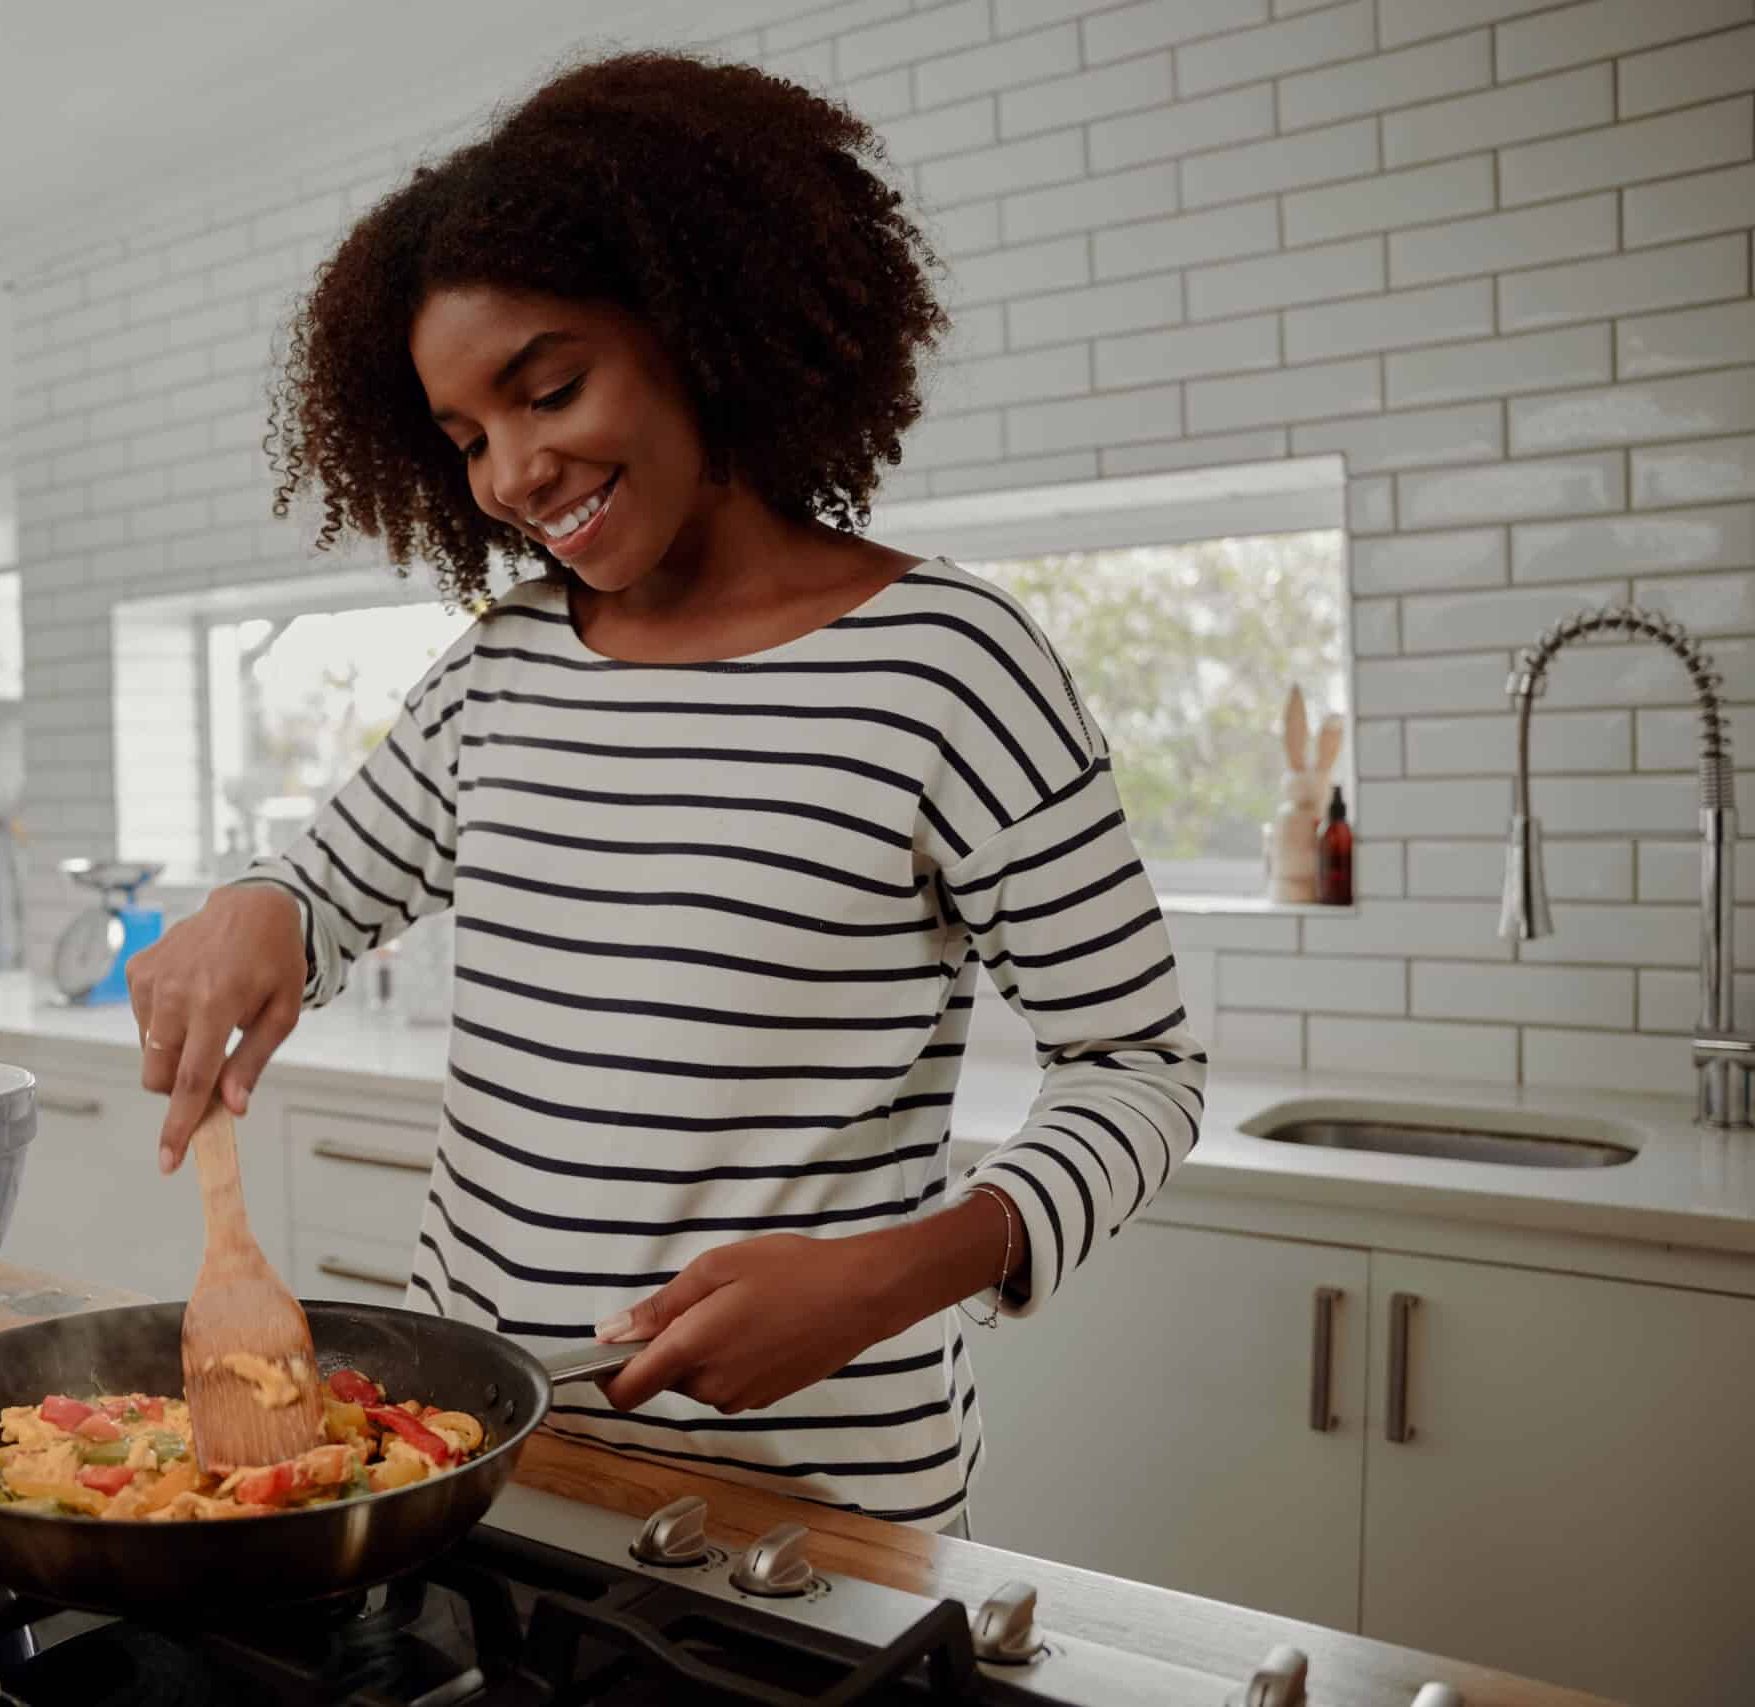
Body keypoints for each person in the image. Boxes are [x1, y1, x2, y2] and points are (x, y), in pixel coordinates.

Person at [125, 51, 1205, 1532]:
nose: (511, 472)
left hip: (816, 1499)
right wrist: (261, 905)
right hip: (483, 1463)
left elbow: (1137, 1062)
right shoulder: (502, 668)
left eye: (549, 387)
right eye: (467, 441)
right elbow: (324, 890)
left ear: (702, 324)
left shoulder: (950, 664)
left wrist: (898, 1271)